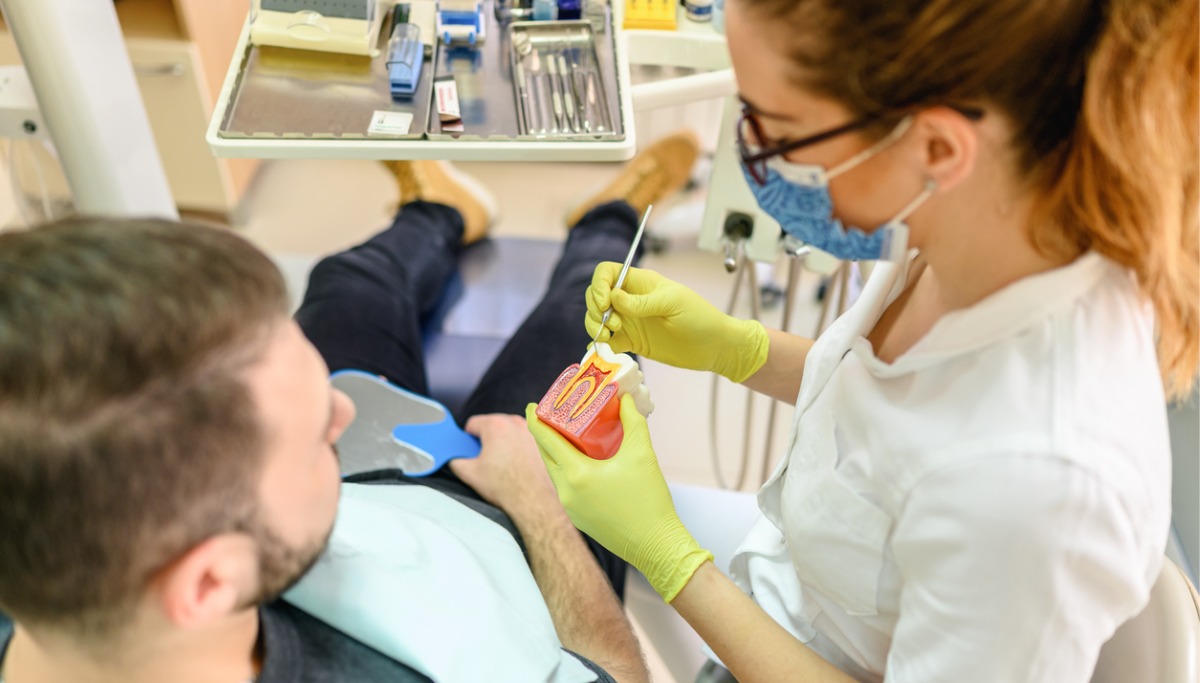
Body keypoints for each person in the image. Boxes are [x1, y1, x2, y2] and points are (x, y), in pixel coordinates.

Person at [525, 0, 1199, 681]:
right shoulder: (971, 219)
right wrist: (732, 347)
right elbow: (889, 410)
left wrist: (668, 557)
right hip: (797, 577)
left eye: (777, 129)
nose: (751, 154)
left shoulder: (1040, 484)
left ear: (936, 147)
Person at [0, 131, 701, 683]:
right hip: (520, 538)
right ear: (212, 581)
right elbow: (616, 675)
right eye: (313, 434)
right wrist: (542, 511)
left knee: (349, 284)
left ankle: (438, 213)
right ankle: (609, 222)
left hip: (369, 499)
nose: (345, 407)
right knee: (594, 315)